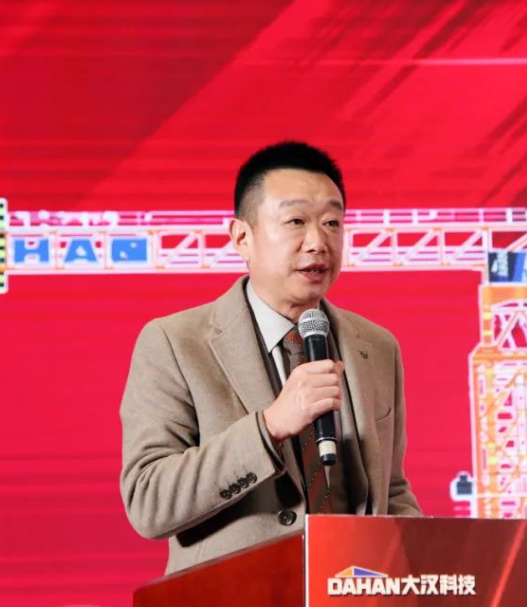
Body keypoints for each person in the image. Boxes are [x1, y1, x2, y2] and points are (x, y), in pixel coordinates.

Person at [120, 141, 421, 577]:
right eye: (296, 221)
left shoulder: (376, 346)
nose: (318, 242)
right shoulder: (175, 343)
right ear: (242, 237)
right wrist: (269, 427)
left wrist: (423, 568)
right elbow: (149, 501)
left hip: (349, 606)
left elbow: (389, 491)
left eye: (332, 223)